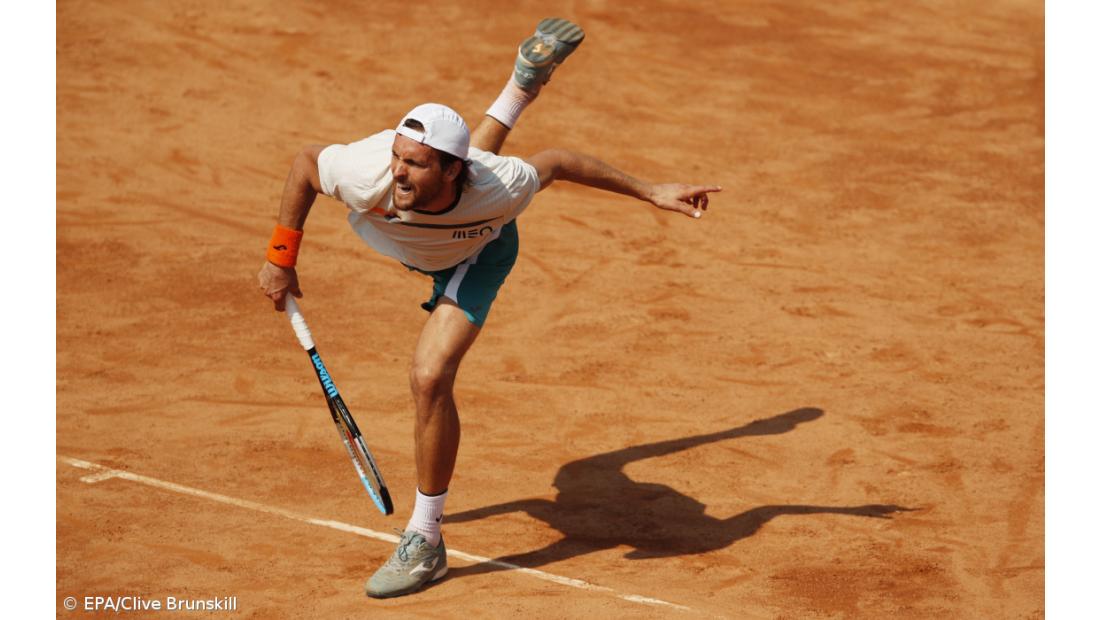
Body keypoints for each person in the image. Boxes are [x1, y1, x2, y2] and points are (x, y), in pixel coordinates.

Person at [257, 18, 721, 599]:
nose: (399, 171)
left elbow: (555, 162)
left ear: (452, 168)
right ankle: (523, 83)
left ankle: (426, 542)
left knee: (430, 377)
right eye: (399, 157)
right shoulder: (367, 170)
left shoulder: (497, 188)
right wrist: (281, 257)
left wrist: (652, 191)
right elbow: (305, 163)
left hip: (477, 255)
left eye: (416, 163)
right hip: (435, 228)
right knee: (464, 176)